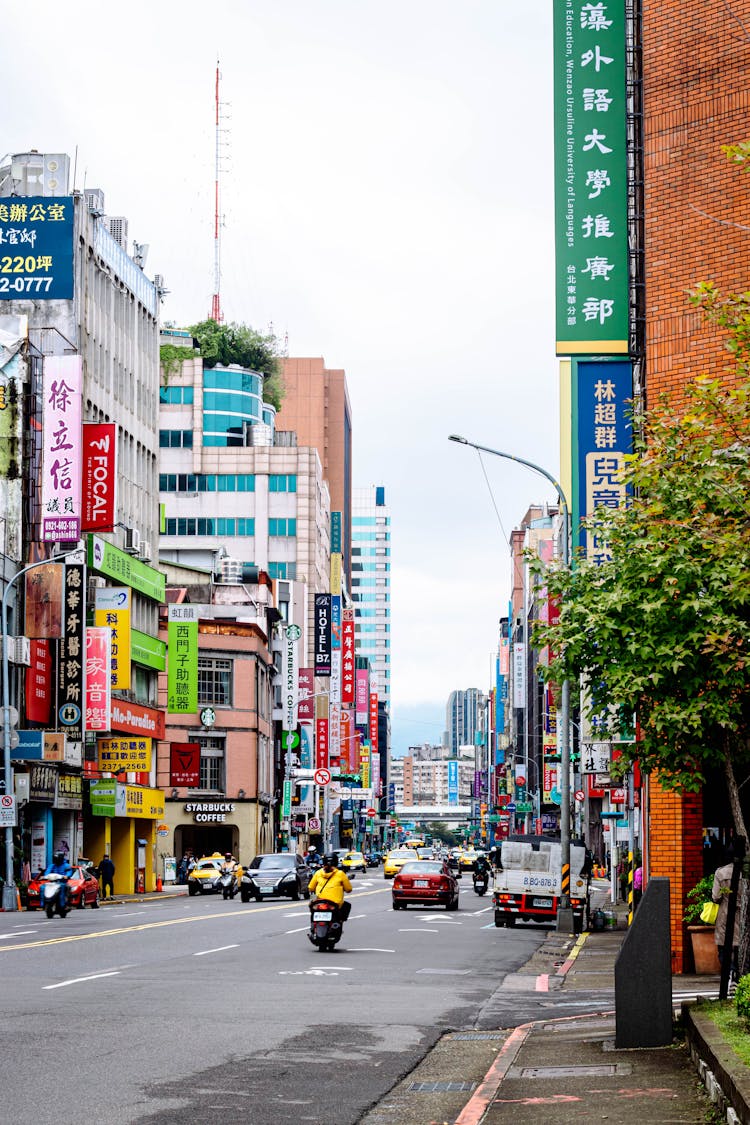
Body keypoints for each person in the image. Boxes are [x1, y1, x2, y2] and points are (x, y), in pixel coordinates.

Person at [712, 850, 741, 980]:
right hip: (743, 914)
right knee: (741, 947)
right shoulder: (745, 872)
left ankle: (730, 973)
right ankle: (738, 975)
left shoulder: (721, 873)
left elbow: (716, 897)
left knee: (724, 948)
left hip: (725, 913)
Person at [308, 852, 352, 925]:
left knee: (311, 906)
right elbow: (349, 889)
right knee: (347, 906)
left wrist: (313, 899)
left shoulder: (318, 873)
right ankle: (339, 922)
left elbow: (310, 888)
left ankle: (313, 926)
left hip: (318, 902)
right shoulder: (340, 874)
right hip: (335, 903)